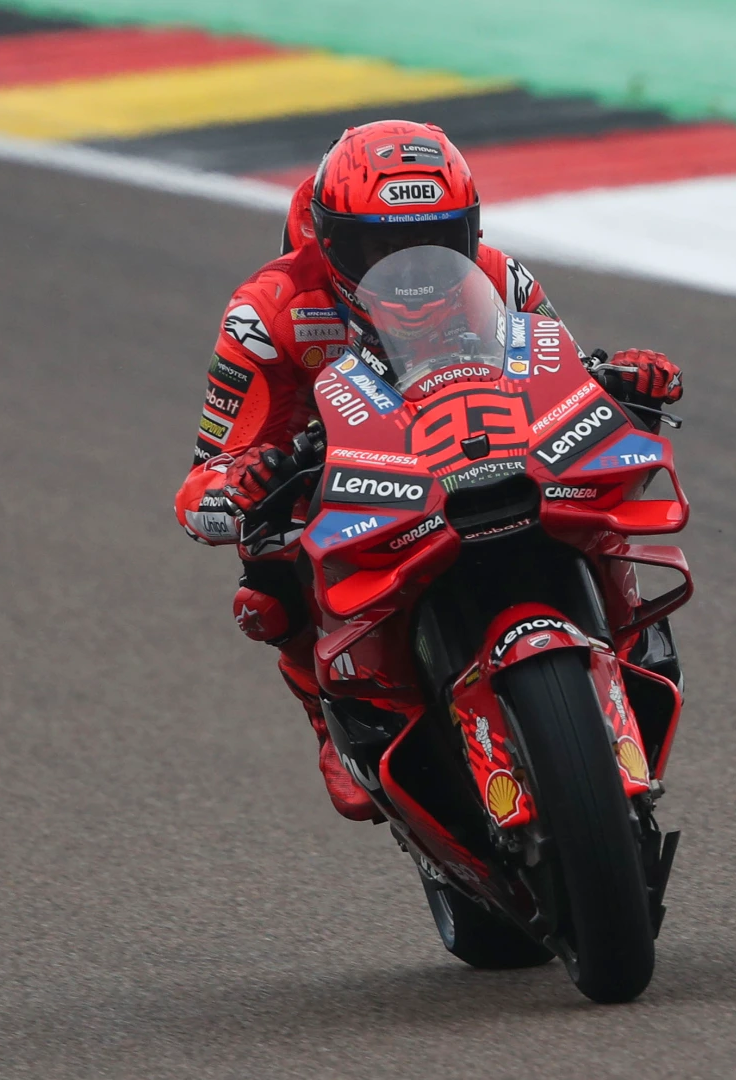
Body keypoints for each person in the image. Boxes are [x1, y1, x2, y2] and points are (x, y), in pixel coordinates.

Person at [173, 120, 683, 821]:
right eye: (381, 249)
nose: (411, 272)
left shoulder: (502, 276)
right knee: (266, 586)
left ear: (468, 233)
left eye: (435, 243)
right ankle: (331, 712)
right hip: (346, 479)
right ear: (331, 242)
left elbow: (563, 378)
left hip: (488, 449)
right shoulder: (267, 313)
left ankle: (625, 638)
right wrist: (244, 483)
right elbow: (204, 482)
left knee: (595, 488)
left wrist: (626, 384)